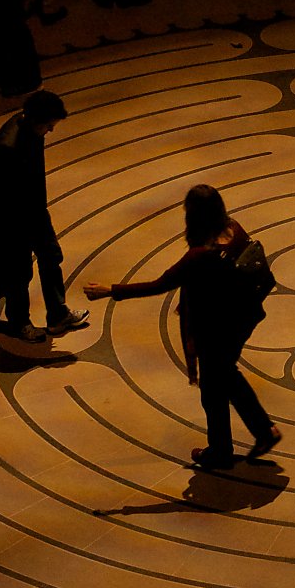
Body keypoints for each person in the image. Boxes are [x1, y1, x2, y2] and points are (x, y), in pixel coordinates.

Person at [86, 184, 282, 471]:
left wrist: (110, 290)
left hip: (216, 327)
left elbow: (160, 284)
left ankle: (222, 451)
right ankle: (262, 431)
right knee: (225, 375)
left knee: (213, 390)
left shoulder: (200, 255)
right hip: (243, 316)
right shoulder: (234, 229)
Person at [0, 89, 90, 342]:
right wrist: (12, 225)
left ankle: (58, 315)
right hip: (10, 218)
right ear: (38, 119)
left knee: (51, 256)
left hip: (33, 209)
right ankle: (19, 322)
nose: (51, 131)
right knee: (18, 271)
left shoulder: (30, 128)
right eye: (49, 125)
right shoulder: (9, 147)